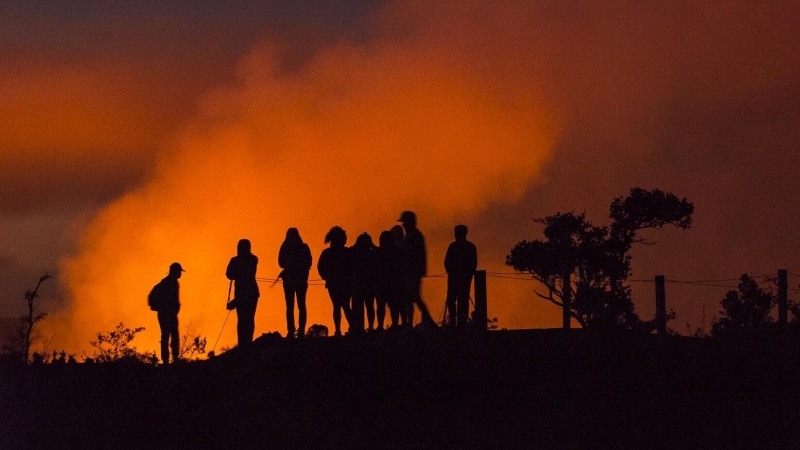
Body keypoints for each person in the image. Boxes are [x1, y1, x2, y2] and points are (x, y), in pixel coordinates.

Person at [397, 211, 434, 327]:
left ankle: (424, 320)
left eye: (404, 222)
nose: (403, 224)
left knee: (413, 298)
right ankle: (412, 322)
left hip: (411, 272)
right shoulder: (413, 235)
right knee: (412, 298)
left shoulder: (414, 236)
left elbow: (413, 255)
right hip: (411, 272)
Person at [317, 226, 352, 336]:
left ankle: (338, 330)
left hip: (333, 283)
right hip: (344, 283)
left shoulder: (327, 253)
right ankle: (352, 327)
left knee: (337, 306)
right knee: (345, 305)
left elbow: (320, 267)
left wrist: (326, 276)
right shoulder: (347, 252)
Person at [278, 228, 312, 338]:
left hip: (289, 280)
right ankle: (300, 330)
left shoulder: (285, 247)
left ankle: (291, 331)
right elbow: (309, 262)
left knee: (290, 306)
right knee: (301, 305)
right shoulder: (304, 247)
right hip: (301, 280)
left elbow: (280, 262)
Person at [226, 239, 260, 347]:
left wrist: (237, 273)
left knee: (243, 319)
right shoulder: (253, 259)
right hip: (251, 293)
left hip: (243, 293)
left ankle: (244, 343)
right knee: (248, 318)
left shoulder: (236, 260)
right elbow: (229, 274)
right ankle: (246, 343)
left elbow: (229, 274)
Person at [444, 225, 478, 327]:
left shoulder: (453, 246)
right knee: (461, 299)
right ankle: (461, 322)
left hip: (456, 278)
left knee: (453, 299)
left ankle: (455, 322)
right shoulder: (470, 247)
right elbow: (474, 264)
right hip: (463, 278)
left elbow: (446, 262)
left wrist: (451, 272)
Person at [152, 262, 184, 364]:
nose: (180, 273)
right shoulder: (171, 283)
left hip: (165, 313)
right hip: (168, 314)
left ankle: (167, 360)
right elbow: (172, 299)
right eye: (179, 271)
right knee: (171, 336)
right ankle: (172, 359)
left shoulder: (166, 282)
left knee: (167, 336)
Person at [375, 230, 403, 329]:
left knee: (381, 306)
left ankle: (381, 326)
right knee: (393, 305)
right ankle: (395, 324)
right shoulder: (397, 252)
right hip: (392, 282)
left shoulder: (377, 252)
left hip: (382, 283)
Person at [351, 232, 377, 333]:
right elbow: (378, 251)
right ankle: (370, 327)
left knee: (358, 307)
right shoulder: (372, 254)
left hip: (358, 283)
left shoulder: (353, 252)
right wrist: (372, 245)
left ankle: (358, 328)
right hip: (369, 283)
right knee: (369, 306)